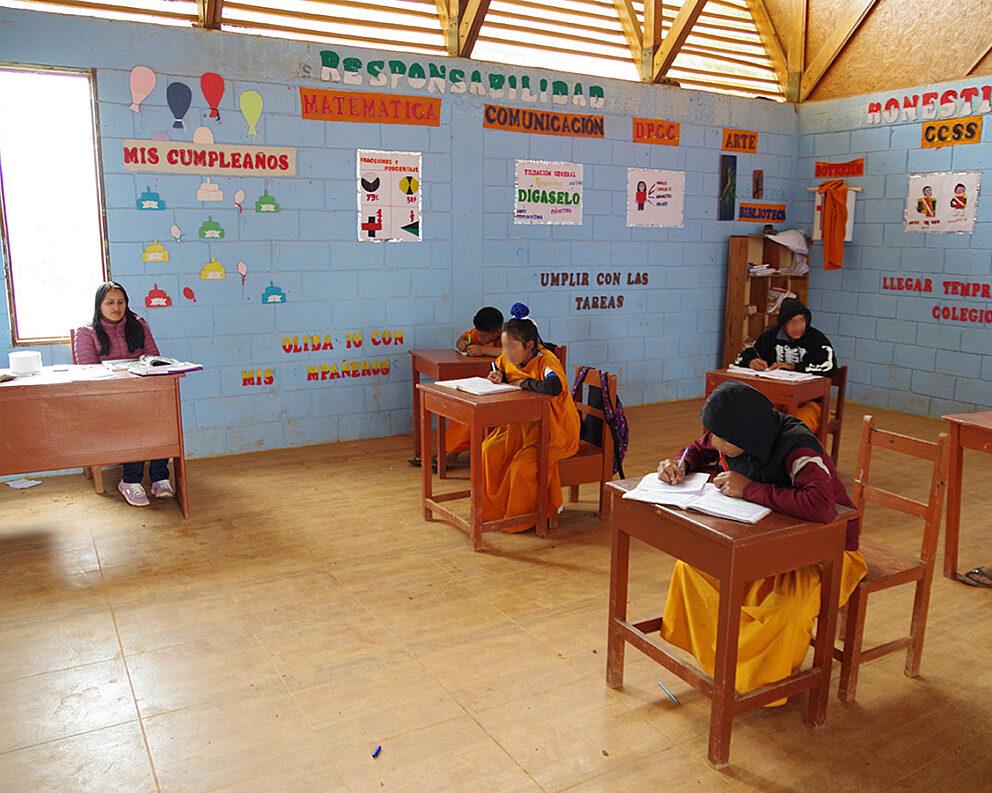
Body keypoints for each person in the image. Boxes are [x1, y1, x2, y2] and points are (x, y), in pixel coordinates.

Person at [655, 381, 867, 699]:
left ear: (746, 438)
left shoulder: (799, 448)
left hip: (823, 551)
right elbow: (699, 447)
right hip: (766, 542)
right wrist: (681, 463)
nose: (714, 441)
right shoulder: (736, 435)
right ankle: (722, 665)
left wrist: (748, 488)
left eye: (721, 438)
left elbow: (822, 506)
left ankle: (760, 684)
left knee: (785, 610)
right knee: (692, 567)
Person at [73, 281, 173, 507]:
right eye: (110, 302)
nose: (116, 307)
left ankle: (160, 477)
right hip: (106, 396)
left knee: (163, 417)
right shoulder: (86, 331)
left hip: (140, 391)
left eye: (121, 302)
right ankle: (130, 480)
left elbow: (153, 357)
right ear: (99, 305)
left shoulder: (138, 324)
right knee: (136, 420)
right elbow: (87, 370)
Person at [481, 315, 579, 532]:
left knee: (521, 467)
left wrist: (524, 383)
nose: (506, 352)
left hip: (554, 430)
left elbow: (554, 386)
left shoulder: (546, 360)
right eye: (504, 346)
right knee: (489, 449)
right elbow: (497, 366)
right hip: (522, 427)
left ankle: (522, 519)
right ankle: (495, 512)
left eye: (512, 347)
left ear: (530, 345)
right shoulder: (508, 357)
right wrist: (497, 376)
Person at [734, 296, 836, 434]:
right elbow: (742, 357)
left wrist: (794, 366)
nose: (797, 327)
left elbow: (829, 367)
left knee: (792, 428)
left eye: (801, 321)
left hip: (812, 403)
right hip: (778, 399)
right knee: (754, 416)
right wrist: (750, 361)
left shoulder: (817, 339)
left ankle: (791, 454)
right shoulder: (771, 337)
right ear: (783, 324)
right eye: (792, 322)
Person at [440, 306, 504, 467]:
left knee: (475, 410)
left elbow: (510, 352)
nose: (479, 338)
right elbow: (464, 338)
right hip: (488, 381)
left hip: (504, 385)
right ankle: (449, 450)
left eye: (484, 336)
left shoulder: (509, 336)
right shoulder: (477, 334)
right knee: (463, 407)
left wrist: (483, 350)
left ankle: (451, 454)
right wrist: (462, 343)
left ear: (497, 332)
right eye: (478, 334)